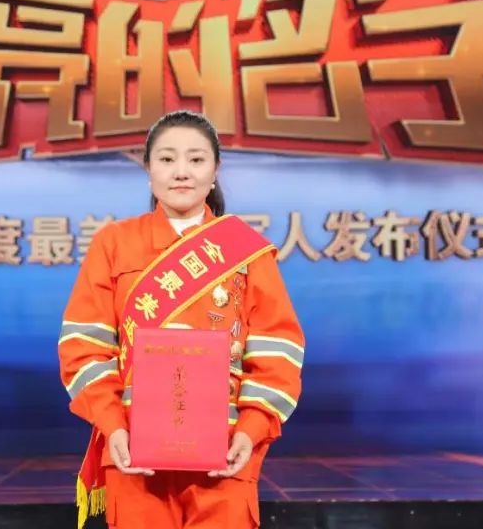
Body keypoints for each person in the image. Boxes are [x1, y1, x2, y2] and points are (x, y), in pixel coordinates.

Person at [58, 110, 305, 529]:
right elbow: (83, 347)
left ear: (215, 170)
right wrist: (114, 427)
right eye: (167, 159)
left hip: (225, 453)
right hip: (134, 452)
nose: (181, 172)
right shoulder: (113, 244)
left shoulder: (247, 252)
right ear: (148, 169)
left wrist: (250, 430)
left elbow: (277, 351)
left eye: (196, 159)